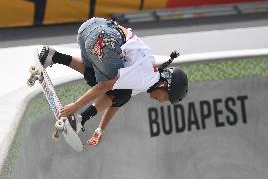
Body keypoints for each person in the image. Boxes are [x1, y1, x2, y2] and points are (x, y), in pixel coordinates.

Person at [39, 17, 188, 146]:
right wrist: (75, 106)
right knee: (113, 88)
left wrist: (100, 129)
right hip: (105, 39)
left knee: (98, 78)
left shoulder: (148, 74)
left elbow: (116, 101)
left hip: (88, 29)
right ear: (164, 84)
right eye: (166, 98)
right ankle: (80, 119)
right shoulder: (144, 78)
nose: (162, 102)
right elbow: (106, 88)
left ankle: (54, 56)